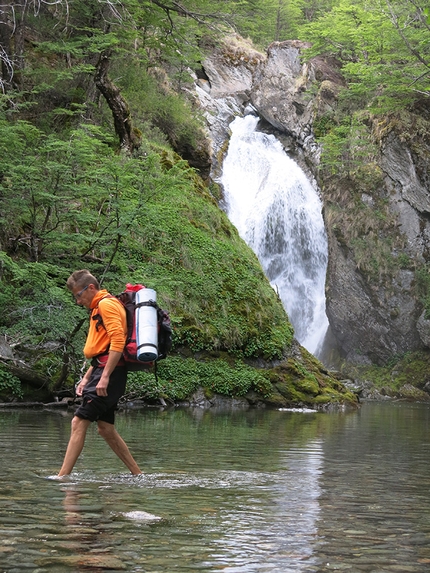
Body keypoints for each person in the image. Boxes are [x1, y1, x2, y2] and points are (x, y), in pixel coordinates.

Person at [57, 270, 142, 477]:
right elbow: (102, 350)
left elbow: (118, 342)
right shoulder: (100, 307)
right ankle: (138, 475)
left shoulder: (106, 305)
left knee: (78, 422)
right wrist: (87, 377)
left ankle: (62, 477)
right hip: (103, 370)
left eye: (79, 295)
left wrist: (104, 377)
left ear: (91, 288)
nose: (78, 301)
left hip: (109, 374)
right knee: (105, 428)